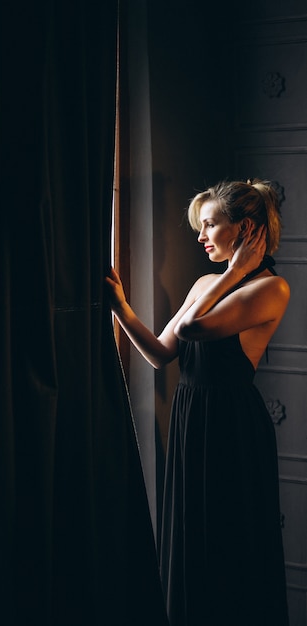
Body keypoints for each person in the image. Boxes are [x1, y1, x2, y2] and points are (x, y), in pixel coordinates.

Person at [105, 179, 290, 626]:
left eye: (210, 225)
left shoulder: (270, 289)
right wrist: (120, 308)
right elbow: (161, 353)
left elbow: (191, 331)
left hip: (231, 428)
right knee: (191, 539)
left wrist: (232, 275)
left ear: (244, 230)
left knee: (229, 545)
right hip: (193, 419)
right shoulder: (206, 281)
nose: (201, 236)